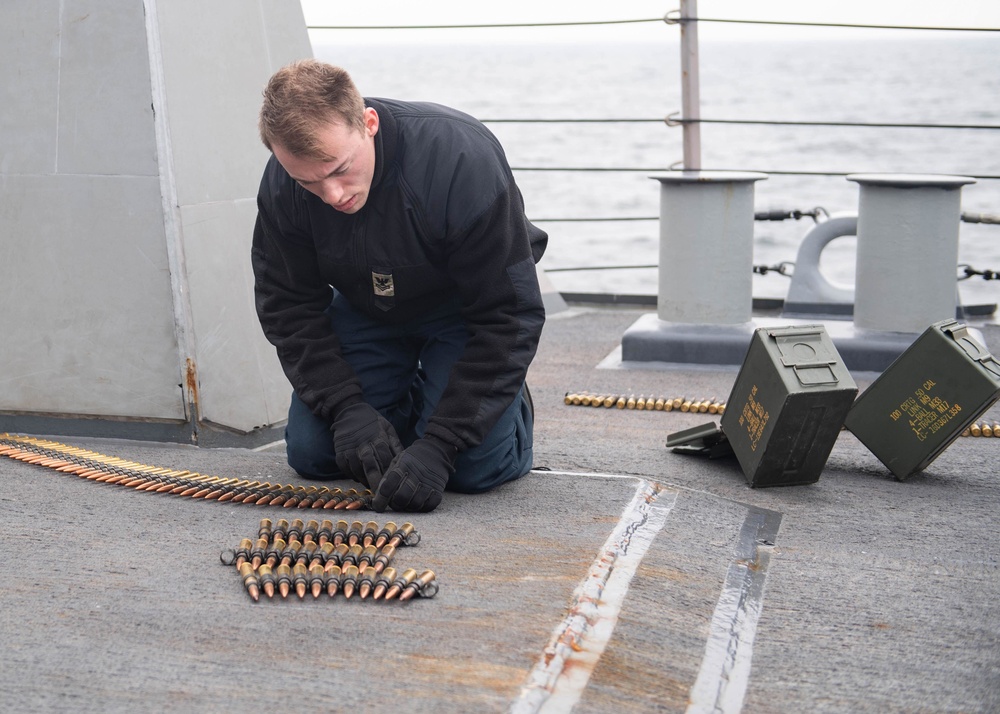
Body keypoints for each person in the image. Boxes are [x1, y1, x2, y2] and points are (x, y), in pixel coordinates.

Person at [252, 59, 547, 513]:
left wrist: (443, 442)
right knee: (316, 455)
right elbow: (288, 307)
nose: (333, 195)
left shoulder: (461, 159)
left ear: (367, 123)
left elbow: (510, 315)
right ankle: (408, 402)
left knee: (472, 470)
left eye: (339, 168)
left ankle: (510, 414)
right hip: (366, 308)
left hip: (464, 311)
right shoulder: (283, 185)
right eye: (308, 182)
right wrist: (347, 407)